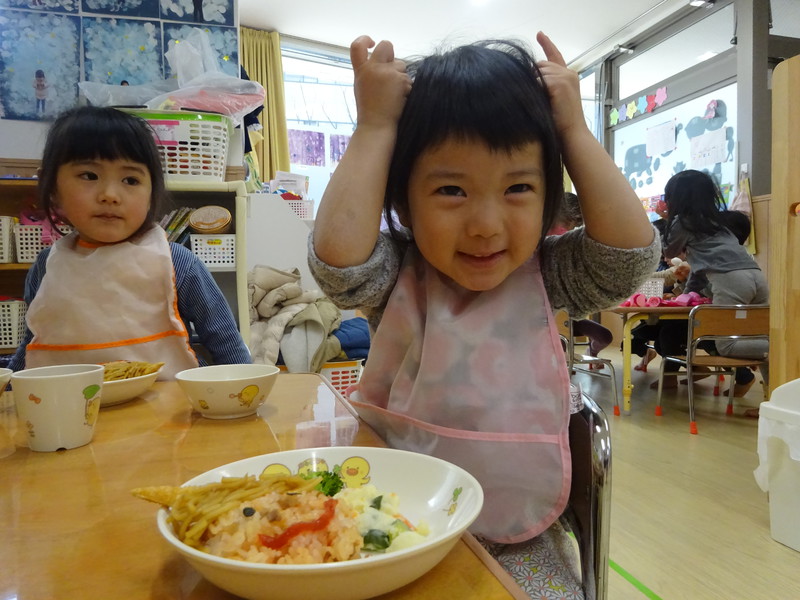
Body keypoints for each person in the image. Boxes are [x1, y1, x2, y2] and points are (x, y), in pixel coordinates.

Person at [308, 32, 659, 596]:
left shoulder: (550, 274)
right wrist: (374, 127)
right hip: (386, 522)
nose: (486, 226)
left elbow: (629, 257)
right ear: (402, 203)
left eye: (518, 187)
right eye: (452, 190)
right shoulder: (395, 276)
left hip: (518, 538)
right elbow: (337, 265)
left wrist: (574, 131)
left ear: (549, 200)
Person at [8, 106, 251, 378]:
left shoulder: (176, 262)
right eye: (89, 175)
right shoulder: (47, 266)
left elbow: (226, 341)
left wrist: (247, 392)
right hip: (70, 401)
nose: (110, 194)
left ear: (151, 193)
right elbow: (34, 341)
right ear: (52, 188)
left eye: (131, 180)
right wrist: (9, 385)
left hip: (170, 400)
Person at [663, 169, 768, 397]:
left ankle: (782, 344)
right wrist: (687, 295)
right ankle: (771, 400)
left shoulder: (683, 222)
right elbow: (700, 270)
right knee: (760, 336)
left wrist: (665, 221)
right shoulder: (717, 223)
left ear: (675, 198)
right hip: (756, 275)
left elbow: (669, 251)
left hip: (731, 280)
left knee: (725, 345)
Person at [549, 192, 613, 364]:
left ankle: (586, 356)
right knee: (560, 348)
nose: (573, 228)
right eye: (574, 224)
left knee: (604, 336)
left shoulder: (569, 240)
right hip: (548, 315)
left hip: (567, 315)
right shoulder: (550, 239)